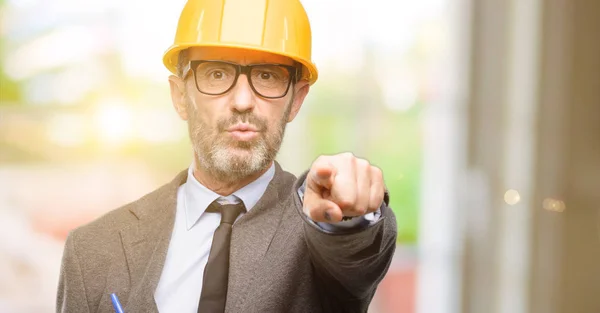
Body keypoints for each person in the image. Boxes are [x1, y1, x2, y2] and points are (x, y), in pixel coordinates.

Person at [56, 0, 397, 312]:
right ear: (179, 96)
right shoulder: (92, 251)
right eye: (216, 74)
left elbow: (356, 252)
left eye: (267, 75)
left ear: (296, 99)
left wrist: (352, 216)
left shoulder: (317, 229)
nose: (243, 101)